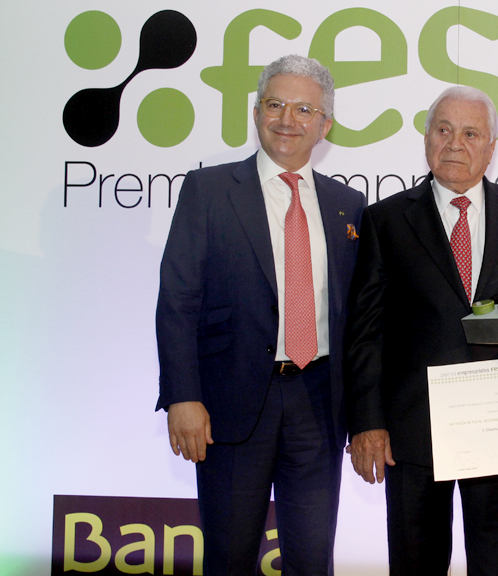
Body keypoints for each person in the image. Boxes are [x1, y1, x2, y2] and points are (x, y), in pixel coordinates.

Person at [343, 86, 498, 576]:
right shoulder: (384, 220)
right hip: (412, 431)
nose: (455, 143)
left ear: (491, 146)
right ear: (426, 139)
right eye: (443, 130)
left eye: (471, 133)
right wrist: (366, 421)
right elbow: (364, 330)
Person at [155, 54, 365, 576]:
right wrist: (183, 395)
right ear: (255, 112)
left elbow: (362, 317)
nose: (287, 119)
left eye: (303, 109)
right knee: (229, 558)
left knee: (313, 561)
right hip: (230, 405)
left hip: (319, 406)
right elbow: (177, 300)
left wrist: (367, 415)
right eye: (275, 105)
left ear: (325, 125)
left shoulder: (349, 205)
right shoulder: (207, 192)